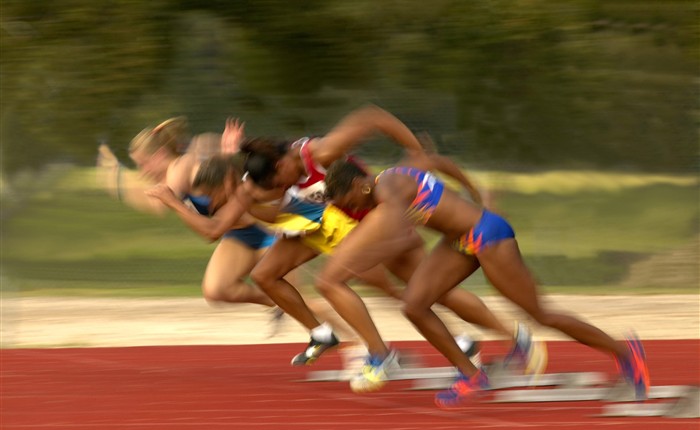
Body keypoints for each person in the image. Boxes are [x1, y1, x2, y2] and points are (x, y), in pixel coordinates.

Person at [150, 105, 542, 393]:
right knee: (268, 274)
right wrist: (173, 201)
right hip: (324, 227)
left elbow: (372, 118)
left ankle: (510, 337)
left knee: (421, 288)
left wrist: (414, 150)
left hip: (376, 216)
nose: (282, 185)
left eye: (283, 179)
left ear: (285, 164)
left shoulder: (313, 154)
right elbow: (213, 230)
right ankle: (330, 335)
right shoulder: (252, 184)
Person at [322, 151, 650, 407]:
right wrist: (472, 190)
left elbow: (393, 234)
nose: (353, 210)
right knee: (414, 304)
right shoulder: (390, 180)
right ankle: (472, 375)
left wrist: (350, 264)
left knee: (540, 314)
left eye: (350, 203)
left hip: (488, 236)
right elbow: (433, 160)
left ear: (359, 185)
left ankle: (625, 351)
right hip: (459, 241)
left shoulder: (387, 188)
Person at [96, 117, 281, 315]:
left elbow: (157, 205)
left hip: (267, 227)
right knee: (217, 290)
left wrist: (117, 182)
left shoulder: (180, 167)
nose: (142, 172)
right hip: (240, 233)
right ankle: (276, 301)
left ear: (159, 155)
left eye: (143, 164)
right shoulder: (181, 168)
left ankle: (288, 301)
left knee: (306, 303)